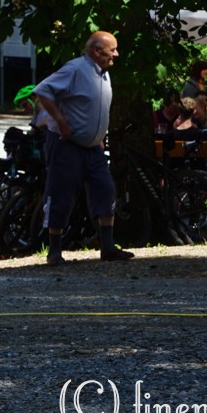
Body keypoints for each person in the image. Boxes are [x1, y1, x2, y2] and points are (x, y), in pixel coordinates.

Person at [34, 30, 134, 265]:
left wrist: (98, 135)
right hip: (67, 145)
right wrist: (61, 122)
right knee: (61, 194)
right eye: (112, 50)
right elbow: (42, 91)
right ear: (96, 51)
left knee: (105, 189)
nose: (116, 54)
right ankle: (54, 251)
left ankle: (108, 247)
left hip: (93, 148)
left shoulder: (103, 74)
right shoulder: (75, 69)